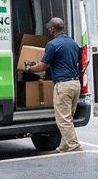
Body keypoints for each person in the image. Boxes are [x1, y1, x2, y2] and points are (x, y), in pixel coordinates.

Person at [22, 17, 82, 153]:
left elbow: (43, 65)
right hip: (75, 84)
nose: (48, 30)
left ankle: (74, 145)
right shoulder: (73, 43)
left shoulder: (52, 44)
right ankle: (65, 145)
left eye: (49, 28)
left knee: (63, 119)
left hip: (63, 85)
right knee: (68, 117)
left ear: (52, 29)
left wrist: (29, 69)